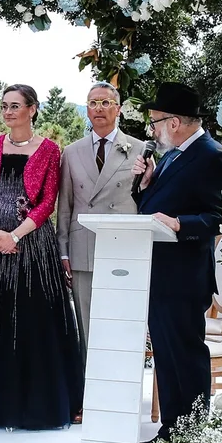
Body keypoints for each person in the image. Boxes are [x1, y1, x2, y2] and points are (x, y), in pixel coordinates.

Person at [0, 84, 85, 430]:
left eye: (15, 106)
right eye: (4, 106)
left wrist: (14, 235)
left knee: (32, 321)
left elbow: (47, 203)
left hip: (31, 247)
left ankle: (33, 407)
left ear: (32, 109)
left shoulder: (50, 150)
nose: (8, 112)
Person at [131, 82, 222, 443]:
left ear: (173, 122)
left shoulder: (210, 155)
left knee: (186, 356)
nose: (153, 130)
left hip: (186, 275)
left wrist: (180, 224)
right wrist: (143, 185)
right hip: (159, 271)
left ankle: (190, 436)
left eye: (155, 121)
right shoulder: (172, 154)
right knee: (166, 355)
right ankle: (170, 431)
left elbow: (218, 217)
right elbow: (151, 207)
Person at [57, 81, 146, 340]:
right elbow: (65, 206)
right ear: (86, 109)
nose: (99, 108)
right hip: (82, 246)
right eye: (93, 103)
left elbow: (146, 201)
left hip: (123, 246)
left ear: (117, 109)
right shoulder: (72, 152)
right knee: (86, 326)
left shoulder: (139, 148)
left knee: (120, 324)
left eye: (106, 102)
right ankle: (86, 380)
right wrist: (63, 250)